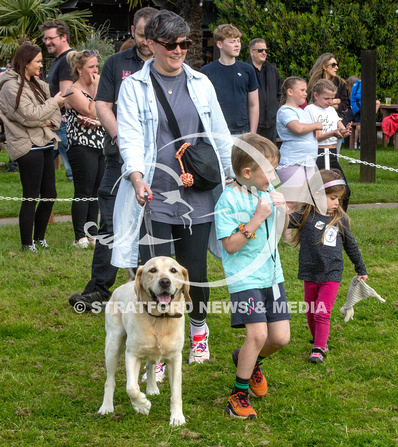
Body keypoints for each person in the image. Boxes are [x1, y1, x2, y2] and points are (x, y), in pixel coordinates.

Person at [111, 10, 232, 365]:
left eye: (185, 44)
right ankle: (158, 350)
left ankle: (198, 332)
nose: (179, 50)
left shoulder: (201, 83)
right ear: (150, 44)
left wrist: (232, 176)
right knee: (158, 277)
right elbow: (130, 137)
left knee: (193, 272)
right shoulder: (133, 86)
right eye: (171, 45)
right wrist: (135, 177)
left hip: (199, 194)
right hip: (154, 194)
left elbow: (220, 135)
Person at [68, 7, 158, 306]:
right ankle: (99, 290)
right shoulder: (117, 63)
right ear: (133, 31)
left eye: (153, 35)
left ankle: (152, 290)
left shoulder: (168, 63)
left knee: (154, 223)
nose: (147, 42)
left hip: (159, 161)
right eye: (143, 35)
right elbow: (102, 106)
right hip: (118, 158)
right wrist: (122, 137)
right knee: (109, 222)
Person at [214, 133, 290, 419]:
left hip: (272, 276)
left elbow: (285, 237)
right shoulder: (227, 201)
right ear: (247, 172)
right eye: (269, 170)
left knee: (280, 339)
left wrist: (284, 213)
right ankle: (238, 396)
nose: (274, 175)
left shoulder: (265, 194)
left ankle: (247, 360)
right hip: (245, 278)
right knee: (257, 335)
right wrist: (256, 219)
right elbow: (230, 247)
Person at [288, 169, 368, 363]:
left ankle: (319, 348)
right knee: (311, 311)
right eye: (332, 198)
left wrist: (361, 268)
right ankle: (319, 339)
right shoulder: (304, 215)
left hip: (331, 272)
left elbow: (351, 245)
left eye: (338, 199)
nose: (336, 203)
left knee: (322, 311)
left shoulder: (339, 220)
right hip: (310, 272)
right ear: (316, 195)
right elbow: (280, 220)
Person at [0, 43, 64, 251]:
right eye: (37, 61)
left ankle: (40, 238)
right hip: (27, 147)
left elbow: (52, 115)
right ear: (25, 62)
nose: (40, 65)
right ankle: (27, 243)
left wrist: (46, 116)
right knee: (31, 195)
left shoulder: (39, 84)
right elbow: (29, 116)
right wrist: (50, 108)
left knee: (50, 194)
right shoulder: (10, 87)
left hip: (45, 143)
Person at [65, 50, 105, 248]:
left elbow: (105, 110)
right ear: (79, 69)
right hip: (82, 145)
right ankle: (79, 235)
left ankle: (92, 232)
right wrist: (97, 89)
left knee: (96, 191)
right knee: (84, 189)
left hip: (100, 144)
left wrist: (98, 120)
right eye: (91, 67)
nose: (95, 71)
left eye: (97, 66)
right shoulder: (73, 91)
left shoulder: (95, 88)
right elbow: (90, 110)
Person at [200, 24, 259, 135]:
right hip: (216, 133)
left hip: (243, 133)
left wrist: (253, 134)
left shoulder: (247, 70)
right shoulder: (206, 72)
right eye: (232, 42)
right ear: (219, 44)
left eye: (238, 41)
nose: (237, 45)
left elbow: (254, 104)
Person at [276, 76, 322, 211]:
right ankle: (287, 232)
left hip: (308, 163)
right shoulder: (285, 111)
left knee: (305, 203)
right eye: (302, 90)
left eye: (305, 90)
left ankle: (299, 232)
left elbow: (310, 131)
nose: (305, 93)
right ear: (290, 92)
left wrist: (322, 130)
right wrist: (316, 125)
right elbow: (298, 128)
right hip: (292, 162)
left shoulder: (302, 111)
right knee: (291, 203)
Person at [305, 79, 352, 211]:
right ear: (315, 95)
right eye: (326, 98)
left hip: (331, 154)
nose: (330, 102)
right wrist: (333, 133)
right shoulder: (310, 110)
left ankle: (339, 220)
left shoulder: (331, 110)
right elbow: (316, 137)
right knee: (319, 191)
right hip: (319, 154)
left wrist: (344, 131)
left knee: (344, 190)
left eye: (332, 98)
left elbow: (340, 129)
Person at [39, 20, 74, 182]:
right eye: (45, 39)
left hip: (63, 122)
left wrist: (45, 115)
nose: (47, 42)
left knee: (73, 172)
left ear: (64, 37)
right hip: (56, 121)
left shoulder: (66, 59)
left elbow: (65, 96)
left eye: (51, 38)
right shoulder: (57, 60)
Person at [247, 38, 282, 143]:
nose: (264, 53)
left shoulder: (272, 70)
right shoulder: (245, 70)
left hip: (270, 123)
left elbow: (279, 92)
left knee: (270, 155)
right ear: (251, 52)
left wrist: (274, 108)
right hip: (252, 122)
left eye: (266, 50)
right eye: (260, 50)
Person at [308, 53, 352, 126]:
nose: (337, 67)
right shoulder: (315, 83)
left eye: (337, 65)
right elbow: (314, 102)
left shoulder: (341, 83)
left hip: (337, 120)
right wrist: (336, 101)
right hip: (318, 120)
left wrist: (326, 102)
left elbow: (345, 104)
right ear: (324, 67)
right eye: (333, 65)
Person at [347, 75, 381, 150]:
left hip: (363, 107)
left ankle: (371, 117)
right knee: (359, 126)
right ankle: (355, 143)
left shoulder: (362, 85)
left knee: (377, 102)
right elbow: (356, 95)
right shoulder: (358, 84)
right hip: (358, 108)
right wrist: (367, 96)